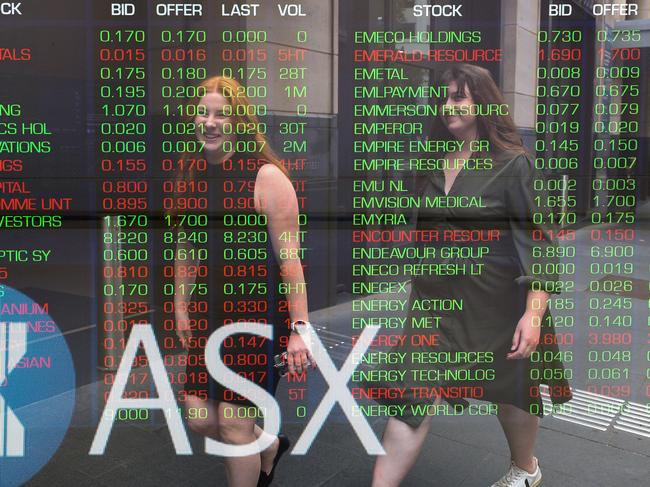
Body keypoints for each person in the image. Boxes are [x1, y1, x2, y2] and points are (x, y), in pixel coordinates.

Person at [368, 64, 572, 487]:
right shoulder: (430, 160)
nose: (448, 106)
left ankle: (525, 468)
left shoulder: (513, 165)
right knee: (410, 391)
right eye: (443, 97)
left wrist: (533, 314)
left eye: (458, 96)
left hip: (495, 303)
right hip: (432, 303)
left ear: (482, 102)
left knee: (512, 390)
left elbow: (539, 245)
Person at [170, 75, 314, 487]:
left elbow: (290, 261)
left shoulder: (265, 177)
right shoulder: (192, 171)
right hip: (208, 314)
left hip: (255, 319)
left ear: (240, 123)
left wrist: (300, 329)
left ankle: (257, 451)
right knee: (199, 416)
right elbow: (187, 246)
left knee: (234, 427)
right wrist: (181, 306)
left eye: (222, 114)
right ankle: (268, 445)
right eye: (203, 112)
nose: (210, 122)